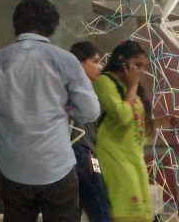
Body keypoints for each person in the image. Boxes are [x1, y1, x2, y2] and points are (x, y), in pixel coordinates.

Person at [0, 0, 100, 222]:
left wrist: (12, 116)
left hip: (13, 165)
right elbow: (91, 111)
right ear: (52, 26)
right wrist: (69, 111)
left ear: (16, 24)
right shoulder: (65, 60)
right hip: (56, 163)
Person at [93, 40, 179, 222]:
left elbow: (137, 130)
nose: (140, 71)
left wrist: (161, 122)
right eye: (137, 65)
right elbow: (123, 116)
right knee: (126, 210)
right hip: (114, 156)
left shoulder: (127, 87)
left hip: (133, 157)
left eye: (143, 66)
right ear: (121, 61)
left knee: (141, 212)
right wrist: (133, 87)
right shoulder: (105, 82)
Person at [68, 41, 111, 222]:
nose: (100, 67)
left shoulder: (81, 88)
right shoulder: (76, 89)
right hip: (81, 150)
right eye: (95, 61)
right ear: (79, 63)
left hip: (81, 152)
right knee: (100, 210)